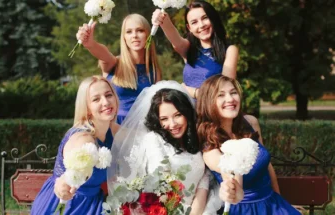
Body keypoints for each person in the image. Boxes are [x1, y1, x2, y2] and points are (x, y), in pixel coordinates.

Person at [196, 74, 301, 214]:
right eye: (221, 95)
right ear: (209, 102)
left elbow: (267, 166)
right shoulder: (210, 146)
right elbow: (233, 183)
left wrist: (282, 204)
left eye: (233, 93)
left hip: (272, 203)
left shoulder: (251, 122)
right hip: (244, 209)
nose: (230, 99)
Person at [108, 81, 210, 214]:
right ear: (157, 120)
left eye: (177, 115)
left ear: (187, 113)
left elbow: (204, 180)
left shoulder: (198, 137)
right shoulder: (154, 140)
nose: (172, 124)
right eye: (164, 119)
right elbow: (160, 185)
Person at [31, 76, 120, 215]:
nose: (106, 102)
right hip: (69, 205)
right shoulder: (83, 139)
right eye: (96, 99)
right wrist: (62, 186)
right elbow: (68, 178)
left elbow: (141, 136)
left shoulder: (111, 129)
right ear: (87, 107)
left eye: (109, 95)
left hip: (94, 204)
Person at [77, 13, 162, 124]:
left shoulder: (154, 70)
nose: (134, 35)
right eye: (129, 32)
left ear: (148, 34)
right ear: (124, 37)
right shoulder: (114, 63)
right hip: (114, 127)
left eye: (140, 30)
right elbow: (103, 54)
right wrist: (90, 44)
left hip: (143, 129)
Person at [151, 0, 238, 99]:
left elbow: (226, 91)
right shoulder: (189, 48)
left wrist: (191, 91)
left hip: (212, 111)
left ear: (213, 19)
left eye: (205, 18)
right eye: (194, 22)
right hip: (187, 110)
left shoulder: (230, 50)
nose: (201, 25)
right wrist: (161, 18)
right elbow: (175, 39)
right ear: (189, 28)